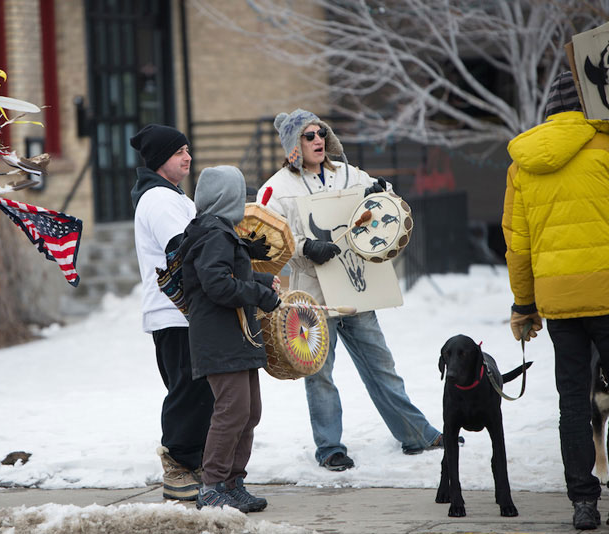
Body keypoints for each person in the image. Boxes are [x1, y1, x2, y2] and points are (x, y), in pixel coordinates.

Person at [257, 109, 444, 471]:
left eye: (321, 133)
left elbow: (384, 198)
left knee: (382, 365)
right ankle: (330, 448)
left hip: (357, 289)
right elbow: (267, 237)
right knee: (319, 375)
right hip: (312, 299)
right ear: (293, 144)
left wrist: (380, 192)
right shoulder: (276, 188)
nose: (317, 140)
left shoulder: (348, 173)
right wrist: (304, 248)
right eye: (308, 136)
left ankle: (416, 434)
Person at [502, 71, 609, 531]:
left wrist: (524, 306)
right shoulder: (604, 147)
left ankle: (583, 503)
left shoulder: (522, 162)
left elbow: (518, 246)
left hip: (559, 302)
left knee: (572, 401)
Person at [179, 165, 280, 511]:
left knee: (250, 411)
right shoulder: (213, 233)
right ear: (228, 197)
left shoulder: (221, 231)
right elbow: (217, 285)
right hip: (219, 337)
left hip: (237, 336)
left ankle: (234, 482)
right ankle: (212, 485)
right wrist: (260, 295)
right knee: (232, 411)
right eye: (240, 193)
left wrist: (263, 284)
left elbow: (228, 274)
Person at [130, 124, 215, 501]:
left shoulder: (170, 195)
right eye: (180, 151)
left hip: (184, 311)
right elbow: (185, 249)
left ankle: (192, 461)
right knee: (188, 389)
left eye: (188, 149)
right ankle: (178, 466)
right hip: (173, 310)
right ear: (161, 158)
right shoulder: (159, 200)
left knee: (199, 390)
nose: (188, 156)